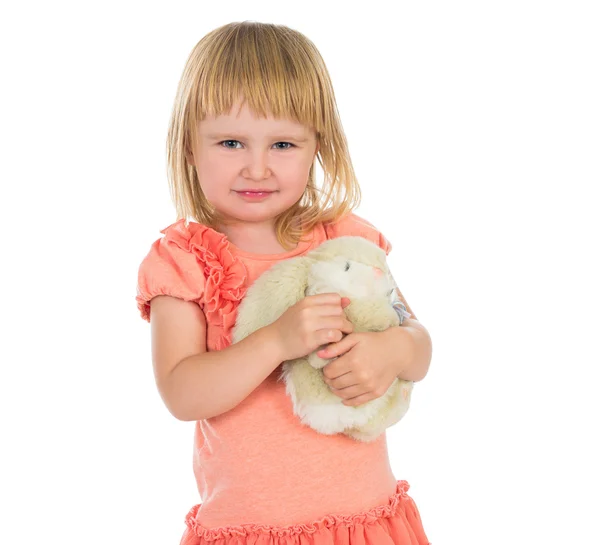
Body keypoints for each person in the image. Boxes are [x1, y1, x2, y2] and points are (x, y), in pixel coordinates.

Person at [135, 21, 432, 545]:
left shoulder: (345, 239)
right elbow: (182, 393)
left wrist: (393, 349)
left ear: (318, 144)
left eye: (282, 144)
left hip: (364, 525)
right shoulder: (185, 260)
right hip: (249, 532)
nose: (257, 168)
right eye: (230, 142)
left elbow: (419, 343)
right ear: (189, 146)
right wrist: (276, 340)